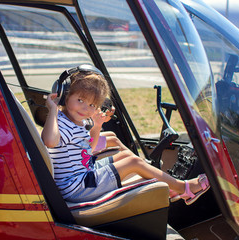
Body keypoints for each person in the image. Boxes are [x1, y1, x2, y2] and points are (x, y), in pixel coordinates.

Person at [41, 66, 210, 204]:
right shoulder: (61, 122)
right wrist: (52, 111)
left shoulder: (76, 122)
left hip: (83, 176)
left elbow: (86, 151)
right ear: (64, 95)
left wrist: (97, 125)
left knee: (126, 155)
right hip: (78, 188)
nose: (86, 108)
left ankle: (169, 187)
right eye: (80, 100)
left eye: (92, 105)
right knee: (134, 161)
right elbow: (49, 141)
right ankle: (184, 189)